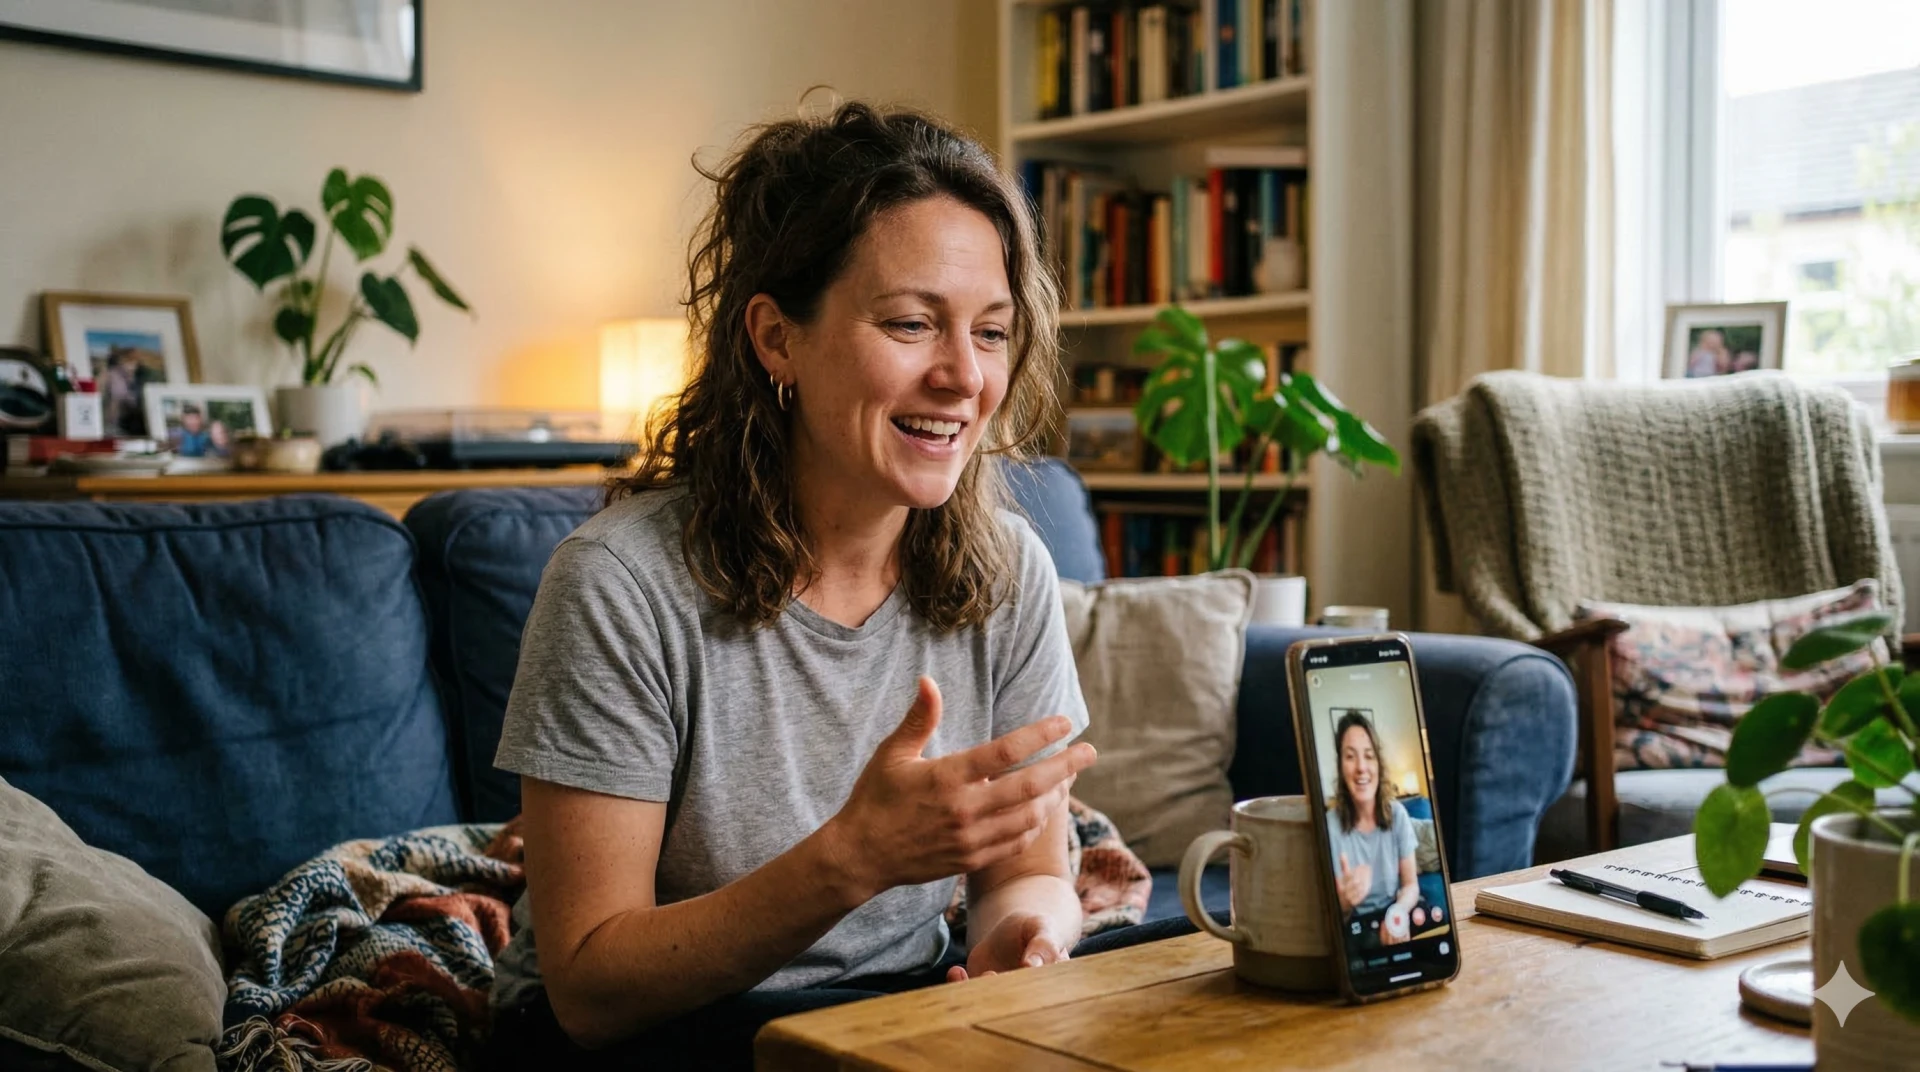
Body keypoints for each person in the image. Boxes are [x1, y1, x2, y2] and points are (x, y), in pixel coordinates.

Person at [485, 101, 1194, 1070]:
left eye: (991, 332)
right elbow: (591, 986)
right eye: (911, 323)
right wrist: (852, 859)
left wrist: (1026, 936)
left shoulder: (1009, 566)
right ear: (777, 339)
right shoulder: (619, 584)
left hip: (892, 1017)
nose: (963, 376)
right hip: (643, 1041)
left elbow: (1023, 872)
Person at [1326, 711, 1434, 948]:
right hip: (1356, 920)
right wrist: (1345, 901)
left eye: (1369, 755)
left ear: (1378, 764)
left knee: (1431, 915)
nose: (1361, 767)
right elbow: (1332, 913)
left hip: (1393, 908)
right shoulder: (1330, 826)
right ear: (1340, 766)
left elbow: (1410, 885)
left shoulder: (1397, 814)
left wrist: (1398, 912)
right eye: (1350, 756)